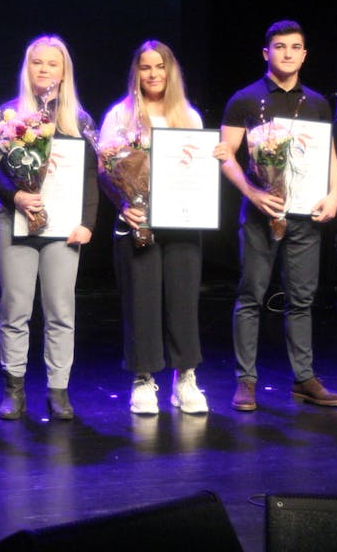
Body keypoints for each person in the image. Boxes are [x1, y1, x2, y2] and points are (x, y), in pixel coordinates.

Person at [217, 20, 337, 411]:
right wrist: (252, 192)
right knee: (252, 294)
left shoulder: (319, 103)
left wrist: (335, 193)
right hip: (261, 213)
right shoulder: (244, 99)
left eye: (295, 47)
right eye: (280, 47)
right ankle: (246, 381)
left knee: (302, 298)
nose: (288, 53)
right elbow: (226, 155)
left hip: (305, 214)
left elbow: (329, 156)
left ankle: (304, 378)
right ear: (266, 53)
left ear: (304, 54)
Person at [0, 35, 98, 421]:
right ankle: (14, 389)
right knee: (16, 307)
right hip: (15, 221)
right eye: (37, 62)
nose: (44, 70)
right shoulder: (7, 117)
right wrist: (15, 196)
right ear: (27, 67)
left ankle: (58, 391)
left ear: (64, 70)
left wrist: (87, 223)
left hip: (64, 228)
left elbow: (90, 176)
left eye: (52, 63)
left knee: (60, 309)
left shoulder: (79, 121)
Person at [99, 40, 209, 415]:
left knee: (183, 301)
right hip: (137, 223)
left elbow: (199, 173)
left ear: (170, 70)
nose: (153, 74)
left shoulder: (189, 117)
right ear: (136, 72)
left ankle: (186, 379)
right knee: (141, 301)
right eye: (145, 67)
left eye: (159, 66)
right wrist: (124, 205)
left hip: (181, 223)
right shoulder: (120, 116)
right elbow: (104, 171)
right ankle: (144, 379)